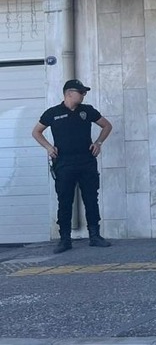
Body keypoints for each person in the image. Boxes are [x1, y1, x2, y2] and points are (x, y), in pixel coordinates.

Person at [32, 79, 114, 254]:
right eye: (81, 92)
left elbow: (107, 126)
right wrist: (48, 147)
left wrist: (98, 142)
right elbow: (36, 132)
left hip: (86, 161)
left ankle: (95, 236)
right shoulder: (53, 113)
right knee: (65, 201)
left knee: (91, 199)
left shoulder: (87, 111)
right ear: (69, 93)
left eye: (84, 92)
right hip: (64, 163)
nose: (84, 95)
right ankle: (65, 239)